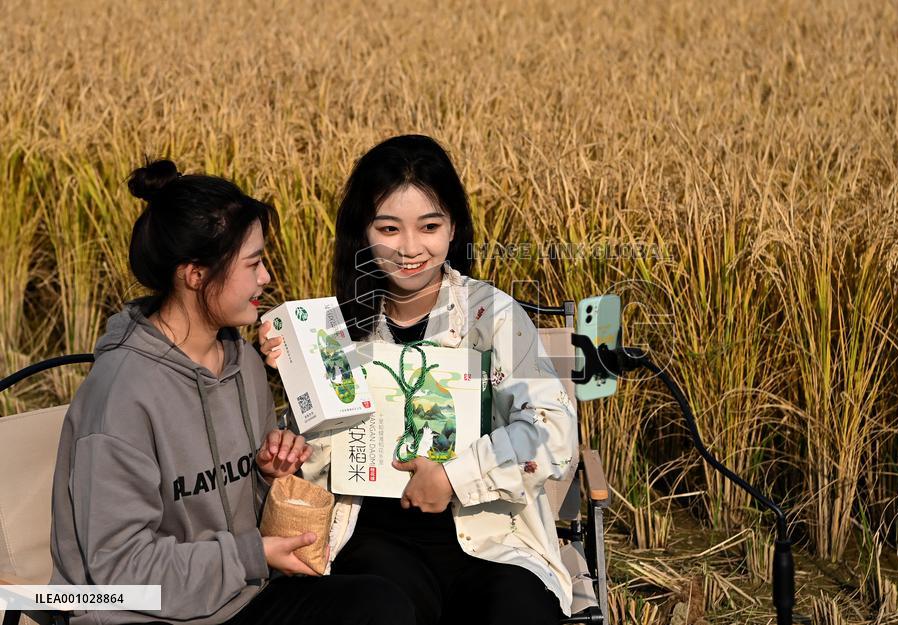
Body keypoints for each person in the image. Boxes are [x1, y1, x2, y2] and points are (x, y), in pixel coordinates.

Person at [49, 159, 416, 625]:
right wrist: (248, 556)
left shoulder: (242, 361)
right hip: (143, 615)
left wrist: (267, 473)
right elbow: (119, 571)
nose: (265, 277)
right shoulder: (121, 393)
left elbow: (239, 506)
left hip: (241, 598)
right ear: (195, 274)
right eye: (254, 262)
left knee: (381, 604)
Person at [259, 135, 578, 625]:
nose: (410, 249)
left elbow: (553, 430)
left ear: (454, 228)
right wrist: (287, 379)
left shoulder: (492, 315)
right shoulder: (331, 327)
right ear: (362, 233)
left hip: (491, 540)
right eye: (389, 228)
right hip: (374, 542)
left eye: (429, 226)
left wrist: (453, 477)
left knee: (519, 609)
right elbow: (322, 454)